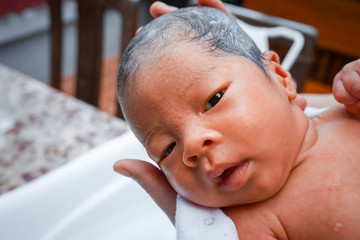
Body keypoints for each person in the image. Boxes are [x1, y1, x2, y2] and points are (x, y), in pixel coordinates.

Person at [114, 3, 360, 239]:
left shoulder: (347, 110)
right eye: (167, 149)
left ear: (280, 77)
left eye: (214, 100)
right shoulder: (249, 227)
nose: (192, 144)